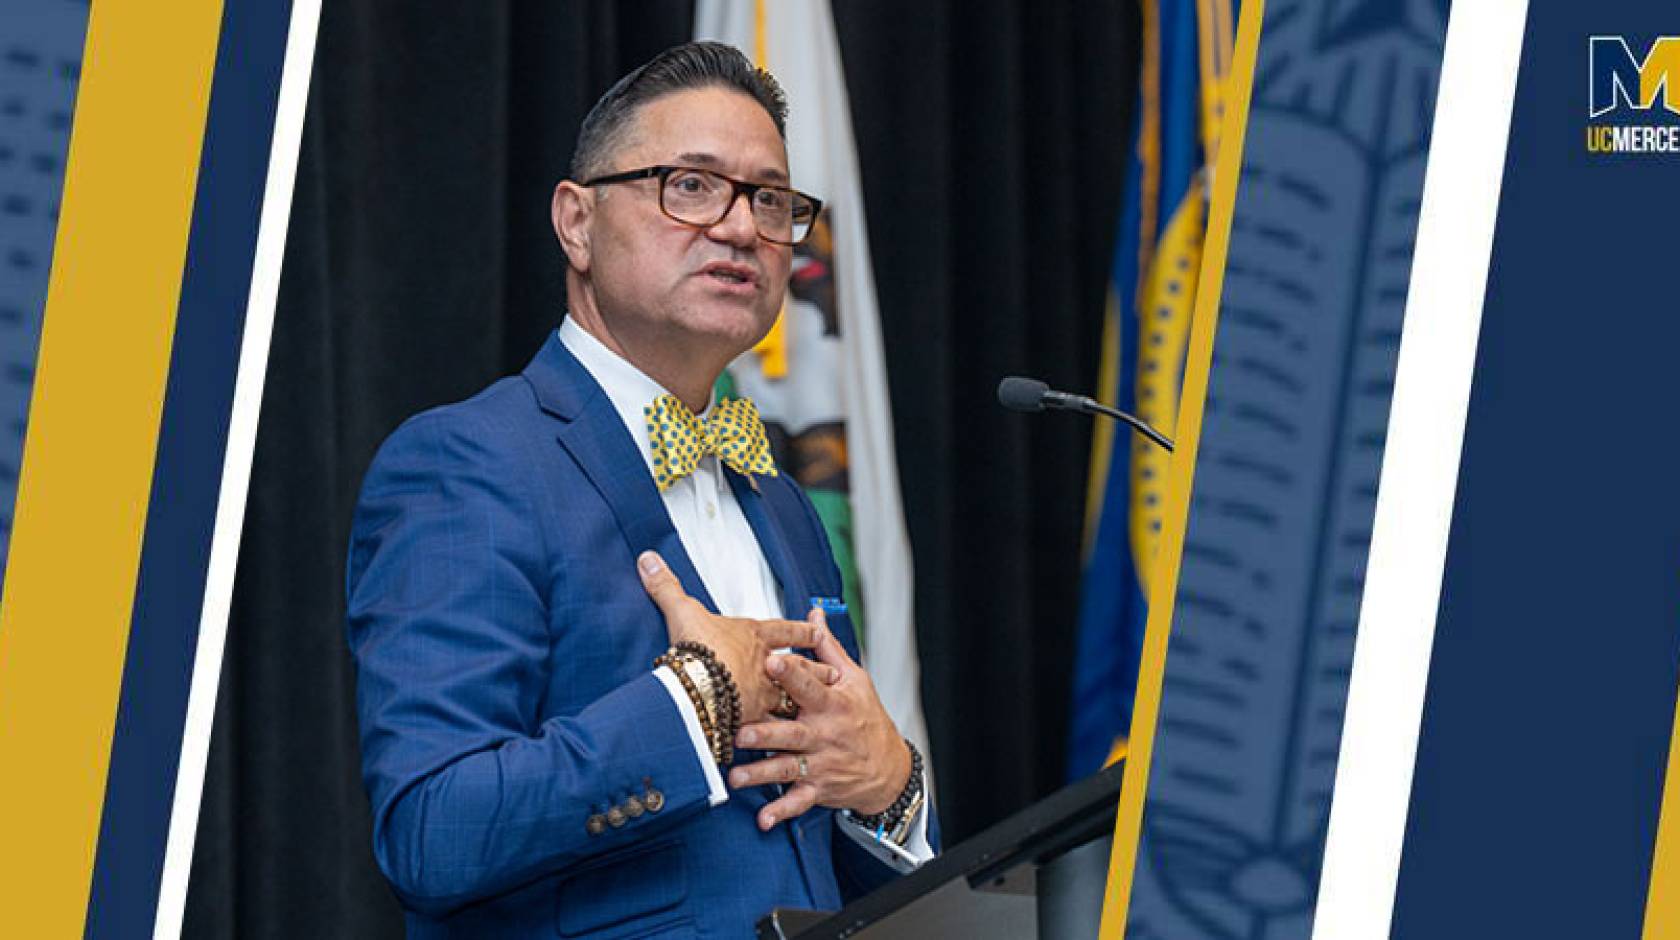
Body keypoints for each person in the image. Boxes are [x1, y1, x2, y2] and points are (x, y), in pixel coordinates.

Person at [345, 41, 936, 938]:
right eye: (691, 185)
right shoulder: (467, 463)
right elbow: (433, 830)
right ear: (576, 222)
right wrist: (694, 704)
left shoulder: (782, 503)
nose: (741, 228)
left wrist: (886, 788)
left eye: (770, 200)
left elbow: (799, 844)